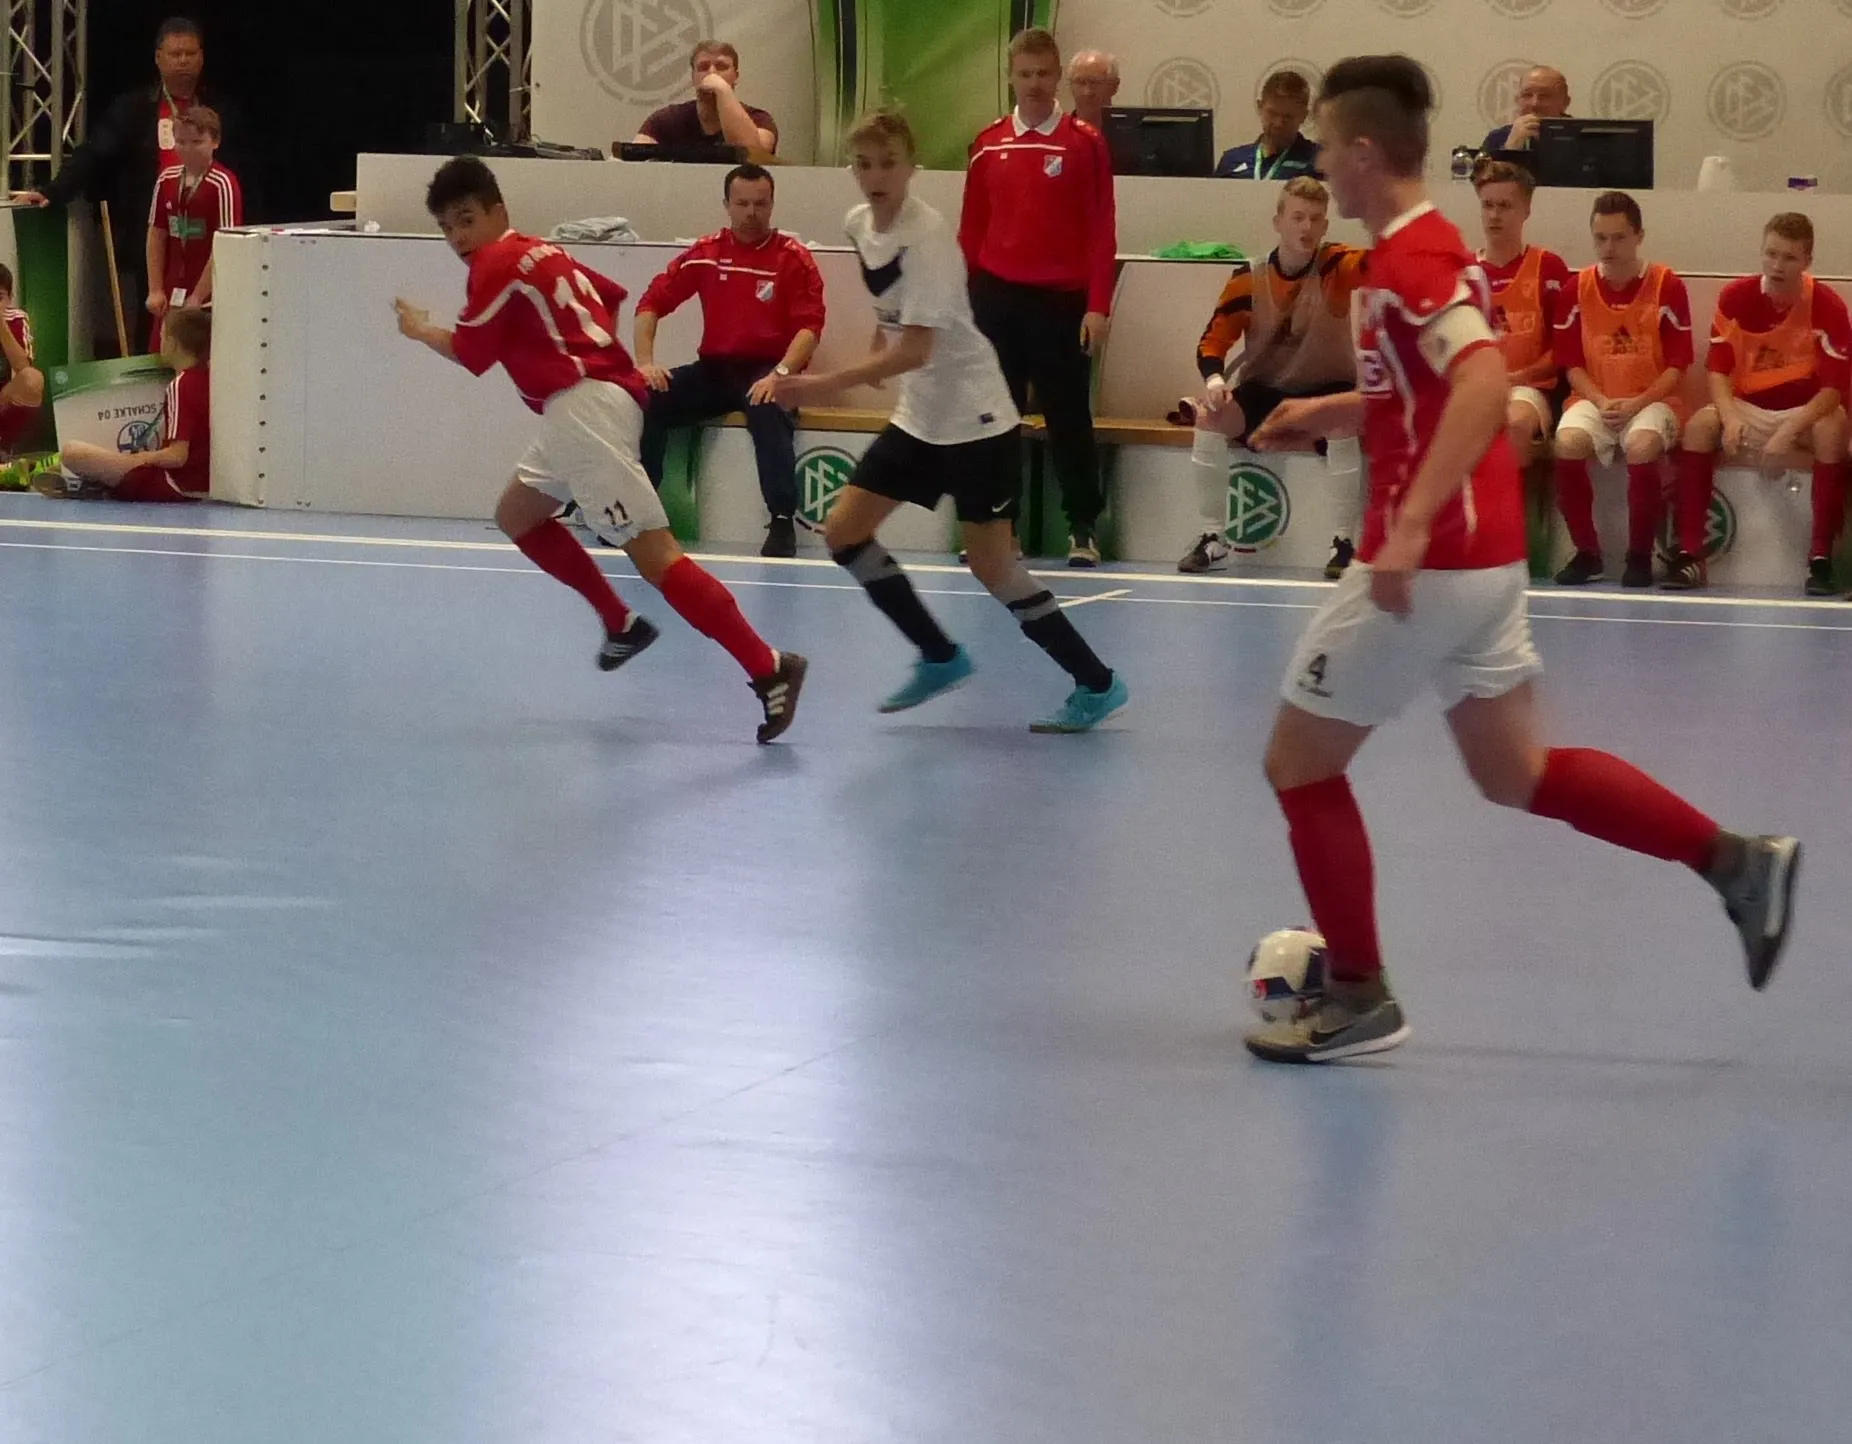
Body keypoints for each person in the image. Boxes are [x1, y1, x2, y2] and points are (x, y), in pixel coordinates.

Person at [1239, 55, 1798, 1065]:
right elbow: (1426, 390)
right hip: (1487, 559)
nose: (1318, 161)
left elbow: (1483, 382)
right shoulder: (1422, 253)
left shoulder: (1413, 262)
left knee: (1298, 764)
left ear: (1361, 152)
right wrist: (1329, 411)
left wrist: (1410, 523)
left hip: (1434, 561)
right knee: (1515, 771)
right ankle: (1733, 862)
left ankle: (1359, 994)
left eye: (1325, 145)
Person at [392, 157, 807, 744]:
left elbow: (469, 352)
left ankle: (768, 667)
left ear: (498, 212)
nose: (458, 238)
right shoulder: (543, 251)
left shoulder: (494, 264)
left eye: (466, 220)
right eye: (446, 228)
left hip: (583, 409)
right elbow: (609, 296)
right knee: (517, 514)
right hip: (589, 402)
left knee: (658, 559)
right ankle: (620, 622)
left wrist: (418, 329)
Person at [773, 112, 1129, 734]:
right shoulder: (858, 224)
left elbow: (918, 350)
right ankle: (939, 654)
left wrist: (819, 383)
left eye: (889, 164)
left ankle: (1097, 683)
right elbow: (893, 307)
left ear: (911, 167)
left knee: (994, 567)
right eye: (864, 164)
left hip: (976, 418)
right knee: (844, 533)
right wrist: (877, 340)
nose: (876, 177)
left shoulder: (930, 236)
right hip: (921, 415)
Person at [960, 27, 1117, 568]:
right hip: (995, 298)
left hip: (1061, 302)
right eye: (1024, 74)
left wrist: (1098, 304)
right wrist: (962, 306)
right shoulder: (987, 143)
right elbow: (971, 231)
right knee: (995, 418)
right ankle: (999, 529)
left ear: (1058, 77)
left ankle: (1082, 527)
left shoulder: (1085, 142)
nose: (1034, 83)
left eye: (1043, 74)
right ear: (1010, 76)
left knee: (1069, 418)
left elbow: (1102, 229)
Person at [11, 18, 248, 355]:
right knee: (155, 317)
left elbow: (242, 176)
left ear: (202, 57)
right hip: (156, 228)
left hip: (208, 235)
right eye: (175, 54)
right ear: (158, 58)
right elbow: (95, 152)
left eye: (190, 53)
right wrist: (54, 190)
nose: (183, 61)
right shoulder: (135, 108)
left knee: (210, 325)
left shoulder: (221, 112)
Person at [1175, 177, 1365, 578]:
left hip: (1327, 390)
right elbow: (1212, 342)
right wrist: (1214, 382)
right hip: (1266, 390)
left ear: (1325, 226)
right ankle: (1212, 537)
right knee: (1210, 418)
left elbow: (1377, 266)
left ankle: (1344, 542)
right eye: (1297, 217)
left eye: (1315, 219)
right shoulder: (1249, 276)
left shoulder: (1337, 265)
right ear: (1278, 222)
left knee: (1344, 422)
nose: (1306, 227)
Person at [634, 163, 825, 559]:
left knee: (768, 405)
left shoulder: (794, 259)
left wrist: (781, 374)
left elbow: (809, 329)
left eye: (760, 204)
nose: (751, 212)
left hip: (767, 370)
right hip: (714, 371)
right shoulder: (706, 254)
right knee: (646, 397)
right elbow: (650, 303)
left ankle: (782, 521)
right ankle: (639, 514)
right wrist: (645, 362)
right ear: (727, 205)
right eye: (742, 204)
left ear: (772, 205)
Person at [1673, 213, 1851, 595]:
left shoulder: (1828, 306)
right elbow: (1718, 370)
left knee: (1834, 426)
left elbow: (1833, 391)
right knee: (1700, 427)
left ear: (1807, 262)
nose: (1777, 266)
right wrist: (1729, 416)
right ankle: (1690, 554)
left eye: (1789, 257)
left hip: (1805, 412)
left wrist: (1788, 432)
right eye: (1771, 254)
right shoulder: (1735, 298)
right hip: (1749, 407)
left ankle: (1821, 560)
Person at [1550, 191, 1694, 587]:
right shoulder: (1575, 289)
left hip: (1654, 399)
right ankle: (1587, 553)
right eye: (1600, 238)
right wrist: (1600, 400)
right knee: (1567, 443)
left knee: (1642, 446)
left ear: (1638, 237)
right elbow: (1571, 365)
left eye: (1618, 238)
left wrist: (1636, 403)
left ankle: (1640, 556)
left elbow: (1678, 366)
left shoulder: (1666, 285)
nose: (1608, 248)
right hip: (1595, 396)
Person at [49, 306, 211, 502]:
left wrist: (141, 458)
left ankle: (99, 484)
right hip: (200, 485)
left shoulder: (180, 385)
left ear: (173, 344)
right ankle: (103, 482)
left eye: (162, 337)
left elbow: (177, 456)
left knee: (71, 452)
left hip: (174, 485)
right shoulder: (209, 379)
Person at [1472, 158, 1571, 473]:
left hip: (1532, 387)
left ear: (1526, 210)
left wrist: (1515, 378)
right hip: (1478, 387)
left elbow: (1563, 349)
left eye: (1504, 206)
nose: (1494, 215)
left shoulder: (1549, 267)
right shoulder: (1465, 274)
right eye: (1488, 205)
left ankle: (1515, 505)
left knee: (1514, 423)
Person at [146, 106, 242, 355]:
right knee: (163, 354)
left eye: (197, 142)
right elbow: (156, 235)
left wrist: (199, 296)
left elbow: (226, 245)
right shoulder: (166, 179)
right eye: (181, 142)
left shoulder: (222, 184)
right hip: (171, 290)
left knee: (200, 358)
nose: (187, 149)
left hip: (208, 294)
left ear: (215, 142)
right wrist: (155, 289)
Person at [627, 41, 777, 155]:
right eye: (703, 67)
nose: (712, 73)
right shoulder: (667, 120)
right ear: (693, 77)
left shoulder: (758, 119)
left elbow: (752, 156)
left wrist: (722, 90)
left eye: (721, 67)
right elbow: (633, 159)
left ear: (735, 76)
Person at [1215, 70, 1321, 181]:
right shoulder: (1231, 161)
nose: (1278, 123)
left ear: (1304, 116)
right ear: (1260, 107)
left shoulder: (1319, 161)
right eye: (1273, 113)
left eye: (1288, 117)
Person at [0, 266, 45, 455]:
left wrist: (1, 326)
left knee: (32, 379)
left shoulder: (17, 319)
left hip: (3, 399)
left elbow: (23, 368)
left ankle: (3, 445)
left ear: (10, 298)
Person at [1480, 65, 1571, 154]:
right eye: (1527, 95)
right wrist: (1511, 147)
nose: (1534, 103)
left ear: (1565, 102)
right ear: (1517, 100)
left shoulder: (1578, 136)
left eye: (1545, 96)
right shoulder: (1497, 138)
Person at [1066, 49, 1121, 134]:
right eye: (1080, 82)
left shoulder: (1130, 134)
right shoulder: (1060, 134)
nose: (1087, 92)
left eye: (1094, 82)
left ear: (1114, 86)